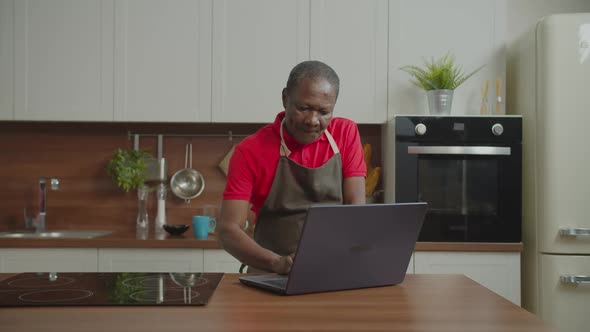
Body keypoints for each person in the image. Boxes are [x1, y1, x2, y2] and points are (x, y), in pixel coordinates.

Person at [218, 60, 367, 274]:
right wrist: (278, 263)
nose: (312, 121)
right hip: (270, 273)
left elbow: (356, 208)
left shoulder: (345, 133)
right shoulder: (250, 150)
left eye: (324, 112)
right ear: (285, 98)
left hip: (334, 269)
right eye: (303, 108)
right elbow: (228, 230)